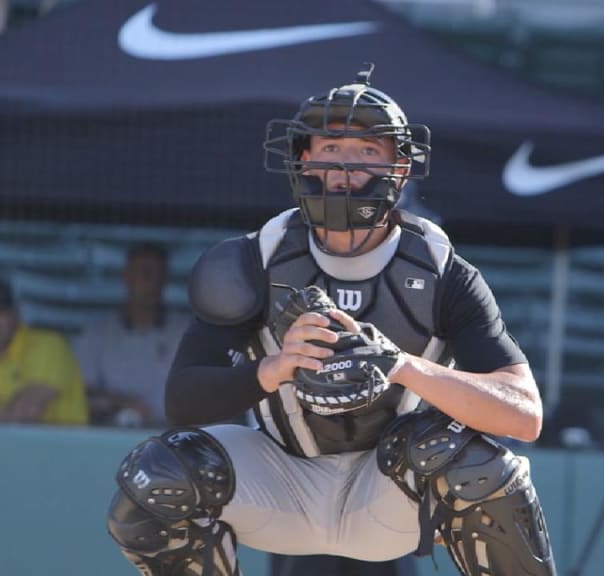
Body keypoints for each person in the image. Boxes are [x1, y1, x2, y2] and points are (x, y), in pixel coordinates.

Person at [105, 64, 556, 576]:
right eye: (330, 148)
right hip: (283, 477)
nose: (346, 166)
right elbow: (181, 401)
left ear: (399, 170)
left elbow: (524, 415)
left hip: (388, 490)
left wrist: (401, 365)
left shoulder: (441, 270)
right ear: (303, 160)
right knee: (158, 475)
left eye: (367, 151)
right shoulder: (253, 260)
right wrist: (272, 369)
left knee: (475, 462)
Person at [74, 242, 190, 427]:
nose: (147, 280)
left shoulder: (187, 332)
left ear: (164, 279)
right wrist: (121, 402)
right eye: (141, 272)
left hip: (178, 439)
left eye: (153, 273)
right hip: (112, 439)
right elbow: (80, 396)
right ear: (126, 277)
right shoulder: (97, 335)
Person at [0, 276, 88, 425]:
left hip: (62, 447)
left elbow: (24, 412)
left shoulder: (48, 345)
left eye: (0, 310)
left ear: (15, 314)